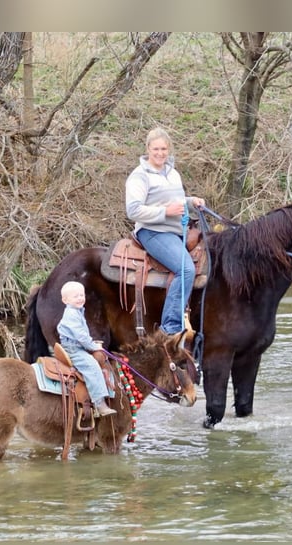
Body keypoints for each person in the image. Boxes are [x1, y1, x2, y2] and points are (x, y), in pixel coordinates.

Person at [125, 127, 206, 335]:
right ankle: (170, 327)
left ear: (168, 149)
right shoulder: (140, 176)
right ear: (148, 149)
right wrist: (165, 212)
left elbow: (176, 201)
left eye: (163, 149)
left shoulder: (172, 172)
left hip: (177, 231)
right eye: (155, 149)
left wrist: (190, 201)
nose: (160, 153)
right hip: (153, 232)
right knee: (186, 269)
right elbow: (133, 210)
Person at [57, 281, 116, 417]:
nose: (80, 298)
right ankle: (99, 403)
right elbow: (81, 336)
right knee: (92, 366)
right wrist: (93, 346)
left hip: (77, 345)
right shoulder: (71, 314)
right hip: (73, 349)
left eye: (81, 295)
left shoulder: (77, 311)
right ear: (65, 300)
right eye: (75, 296)